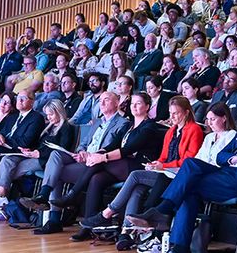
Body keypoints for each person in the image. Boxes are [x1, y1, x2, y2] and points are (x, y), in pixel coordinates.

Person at [127, 87, 237, 253]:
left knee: (188, 186)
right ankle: (177, 244)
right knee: (190, 167)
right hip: (232, 174)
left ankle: (165, 216)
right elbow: (221, 156)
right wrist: (233, 158)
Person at [77, 97, 213, 250]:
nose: (173, 116)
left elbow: (189, 159)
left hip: (179, 175)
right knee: (137, 188)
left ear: (186, 113)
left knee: (135, 176)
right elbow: (163, 155)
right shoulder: (171, 131)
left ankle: (107, 213)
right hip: (165, 171)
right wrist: (155, 164)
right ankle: (126, 232)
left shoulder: (193, 129)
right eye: (170, 113)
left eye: (176, 113)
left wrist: (163, 165)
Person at [40, 93, 161, 237]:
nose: (134, 106)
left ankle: (72, 195)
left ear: (147, 106)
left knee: (100, 163)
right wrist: (99, 154)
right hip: (122, 165)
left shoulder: (149, 127)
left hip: (139, 167)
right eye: (132, 103)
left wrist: (102, 157)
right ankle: (87, 227)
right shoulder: (129, 125)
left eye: (139, 103)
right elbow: (113, 144)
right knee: (96, 179)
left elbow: (128, 149)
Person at [0, 99, 78, 220]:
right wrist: (28, 150)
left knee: (8, 173)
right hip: (34, 155)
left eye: (51, 114)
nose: (49, 117)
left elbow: (62, 148)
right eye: (47, 114)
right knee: (7, 159)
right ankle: (1, 198)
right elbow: (40, 145)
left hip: (46, 159)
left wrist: (39, 153)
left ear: (59, 112)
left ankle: (4, 205)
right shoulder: (49, 128)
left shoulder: (66, 127)